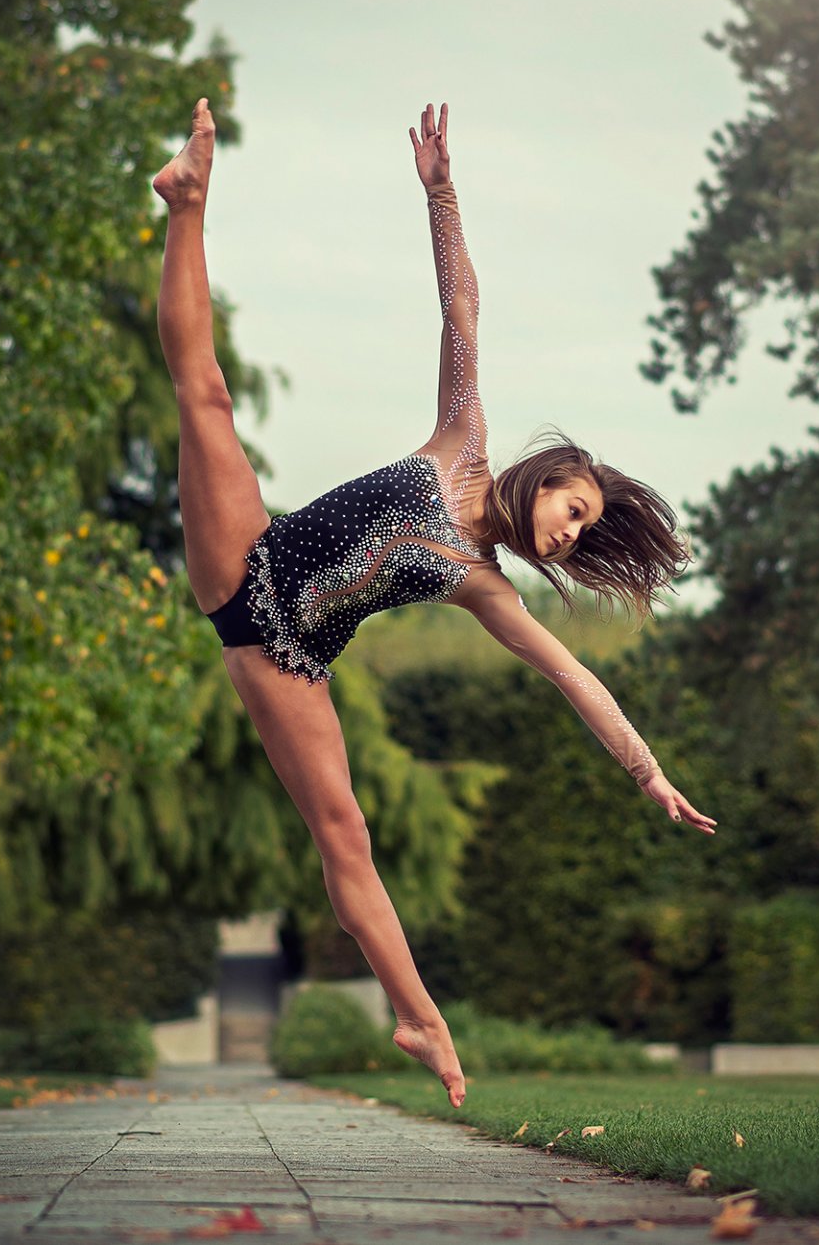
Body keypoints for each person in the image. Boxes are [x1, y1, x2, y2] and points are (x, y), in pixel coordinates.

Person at [150, 99, 715, 1108]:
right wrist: (442, 192)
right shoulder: (462, 438)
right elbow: (463, 310)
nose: (572, 532)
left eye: (586, 532)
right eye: (573, 508)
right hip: (255, 546)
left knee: (346, 837)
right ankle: (187, 200)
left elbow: (575, 678)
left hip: (279, 645)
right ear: (544, 479)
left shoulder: (487, 589)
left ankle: (418, 1017)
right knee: (205, 395)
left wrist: (648, 771)